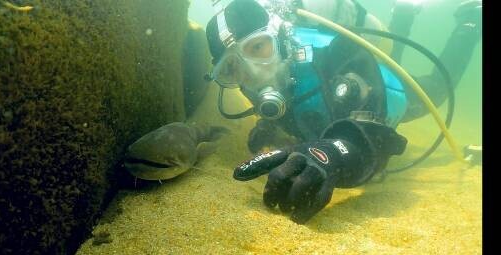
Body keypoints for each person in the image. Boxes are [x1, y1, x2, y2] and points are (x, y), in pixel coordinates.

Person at [204, 0, 482, 223]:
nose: (253, 72)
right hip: (341, 105)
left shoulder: (335, 51)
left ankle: (469, 22)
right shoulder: (253, 87)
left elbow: (379, 135)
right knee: (395, 60)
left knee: (434, 89)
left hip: (386, 94)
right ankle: (405, 13)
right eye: (231, 67)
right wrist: (269, 124)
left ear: (279, 35)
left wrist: (334, 152)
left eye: (258, 47)